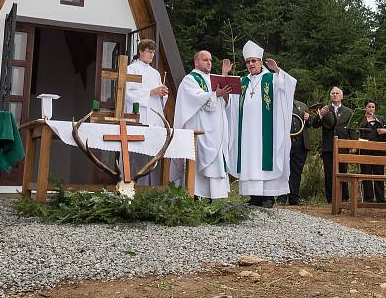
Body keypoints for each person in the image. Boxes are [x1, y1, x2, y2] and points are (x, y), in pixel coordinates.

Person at [226, 40, 296, 207]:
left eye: (254, 61)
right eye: (248, 61)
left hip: (266, 131)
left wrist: (277, 70)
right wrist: (226, 75)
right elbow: (230, 102)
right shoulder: (242, 81)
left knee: (265, 160)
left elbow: (289, 85)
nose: (251, 64)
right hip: (246, 131)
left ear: (260, 61)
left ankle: (267, 197)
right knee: (249, 160)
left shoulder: (271, 79)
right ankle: (254, 196)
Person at [173, 50, 232, 200]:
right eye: (205, 59)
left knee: (216, 161)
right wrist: (215, 94)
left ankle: (214, 198)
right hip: (199, 129)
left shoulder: (212, 79)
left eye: (210, 60)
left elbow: (221, 104)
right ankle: (196, 195)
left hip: (215, 131)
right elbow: (196, 99)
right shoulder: (190, 80)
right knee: (198, 161)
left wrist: (224, 95)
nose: (209, 62)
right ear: (196, 62)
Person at [125, 38, 168, 185]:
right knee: (137, 154)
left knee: (152, 155)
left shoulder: (155, 73)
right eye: (149, 51)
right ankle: (134, 184)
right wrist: (150, 92)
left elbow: (158, 95)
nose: (151, 55)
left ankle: (152, 188)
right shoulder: (131, 69)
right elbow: (128, 92)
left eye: (153, 52)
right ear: (140, 51)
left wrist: (163, 93)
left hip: (154, 118)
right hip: (140, 116)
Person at [311, 87, 353, 204]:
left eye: (337, 93)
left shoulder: (348, 111)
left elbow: (352, 130)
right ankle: (330, 199)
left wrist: (352, 144)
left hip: (343, 147)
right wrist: (320, 115)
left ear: (342, 96)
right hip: (328, 146)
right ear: (330, 96)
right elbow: (314, 125)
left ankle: (344, 198)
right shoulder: (325, 109)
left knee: (343, 172)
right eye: (333, 93)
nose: (335, 95)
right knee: (329, 173)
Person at [278, 107, 311, 206]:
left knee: (296, 172)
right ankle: (281, 197)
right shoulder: (280, 102)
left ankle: (294, 197)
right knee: (283, 170)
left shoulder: (302, 105)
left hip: (300, 144)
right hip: (284, 143)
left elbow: (310, 124)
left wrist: (308, 118)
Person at [359, 99, 386, 203]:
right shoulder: (361, 119)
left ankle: (380, 199)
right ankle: (368, 199)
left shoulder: (380, 119)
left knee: (379, 174)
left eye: (373, 107)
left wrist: (384, 131)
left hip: (379, 150)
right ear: (365, 107)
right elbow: (354, 130)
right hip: (365, 149)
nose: (371, 109)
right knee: (366, 173)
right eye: (369, 106)